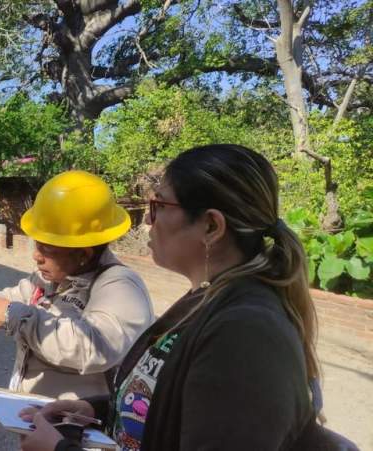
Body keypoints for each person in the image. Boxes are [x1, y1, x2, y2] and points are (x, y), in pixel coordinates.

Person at [20, 144, 327, 451]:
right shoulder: (208, 299)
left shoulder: (246, 332)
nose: (148, 221)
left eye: (159, 206)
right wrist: (99, 411)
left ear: (211, 226)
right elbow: (178, 409)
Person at [0, 171, 154, 400]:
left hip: (79, 428)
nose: (36, 256)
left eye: (47, 249)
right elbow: (14, 297)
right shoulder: (48, 277)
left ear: (83, 254)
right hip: (37, 420)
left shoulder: (120, 287)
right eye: (37, 244)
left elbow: (94, 346)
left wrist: (12, 315)